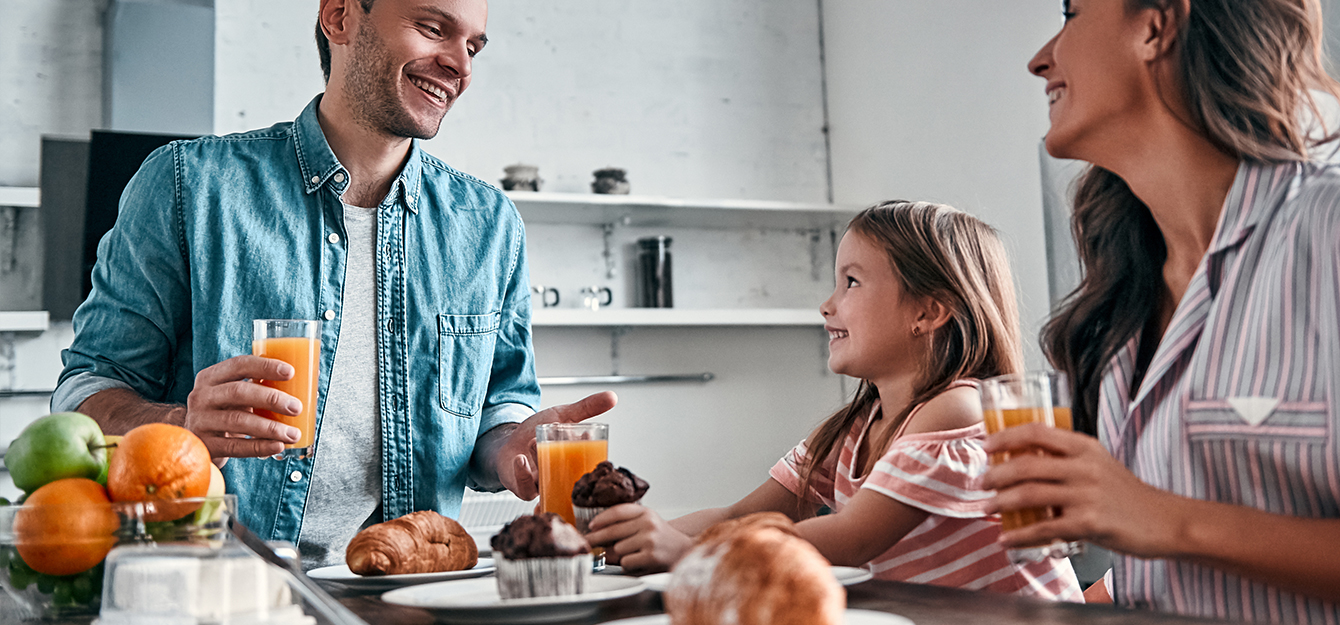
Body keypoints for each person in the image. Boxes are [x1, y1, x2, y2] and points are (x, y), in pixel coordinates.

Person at [51, 0, 614, 569]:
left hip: (407, 588)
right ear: (340, 17)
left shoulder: (489, 224)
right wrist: (178, 425)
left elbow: (499, 405)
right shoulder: (188, 186)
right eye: (432, 28)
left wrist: (512, 445)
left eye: (472, 46)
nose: (459, 66)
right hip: (219, 586)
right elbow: (86, 394)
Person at [980, 0, 1340, 619]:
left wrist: (1162, 518)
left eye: (1071, 15)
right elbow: (1161, 575)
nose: (1039, 59)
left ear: (1156, 25)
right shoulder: (1126, 292)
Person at [584, 201, 1083, 600]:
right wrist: (624, 542)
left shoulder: (958, 408)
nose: (827, 304)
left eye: (852, 282)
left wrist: (691, 554)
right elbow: (734, 517)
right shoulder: (857, 427)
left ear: (928, 311)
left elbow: (851, 539)